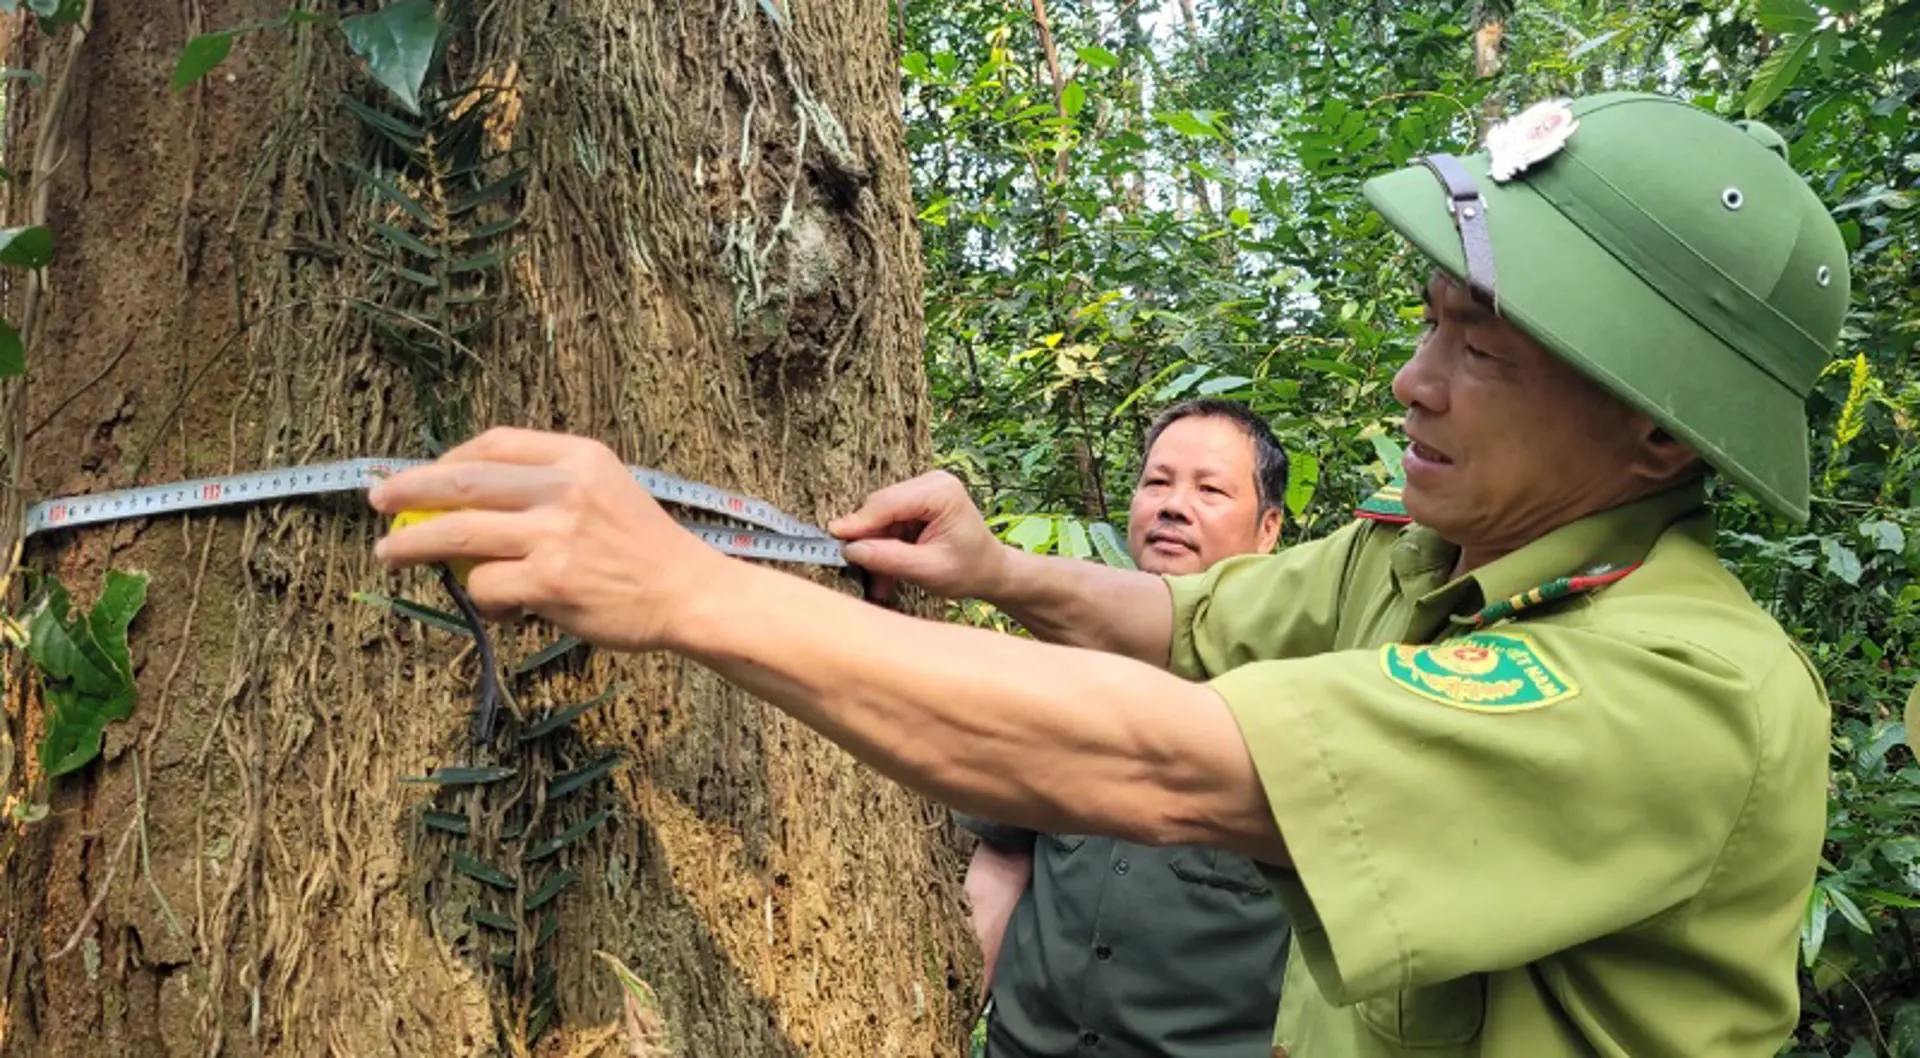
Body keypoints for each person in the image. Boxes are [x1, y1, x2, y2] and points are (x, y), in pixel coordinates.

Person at [368, 91, 1850, 1056]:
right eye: (1429, 324)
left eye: (1481, 348)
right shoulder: (1433, 568)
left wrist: (686, 590)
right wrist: (997, 566)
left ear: (1659, 430)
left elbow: (1178, 762)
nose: (1414, 383)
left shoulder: (1676, 685)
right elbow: (1180, 625)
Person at [959, 398, 1291, 1058]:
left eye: (1210, 489)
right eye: (1157, 482)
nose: (1173, 505)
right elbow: (1003, 858)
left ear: (1268, 528)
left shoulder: (1296, 699)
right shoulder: (1062, 669)